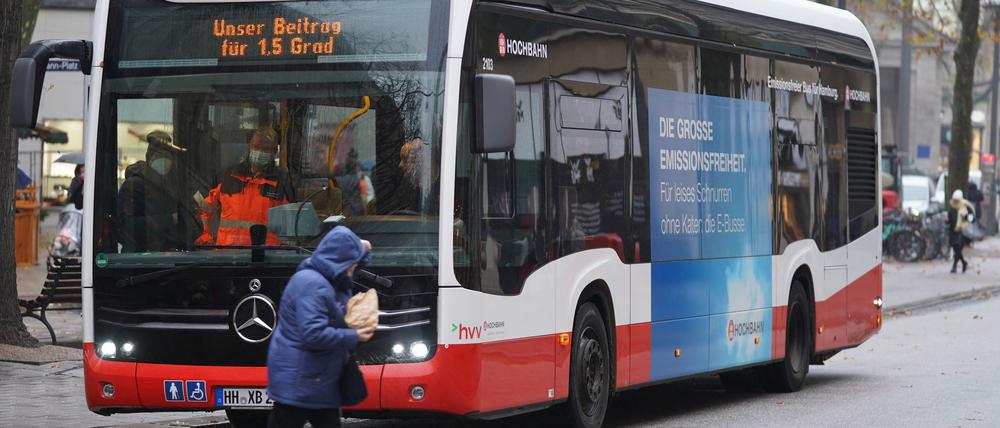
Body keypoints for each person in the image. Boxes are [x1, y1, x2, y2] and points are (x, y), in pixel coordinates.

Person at [267, 226, 375, 428]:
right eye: (351, 263)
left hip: (318, 379)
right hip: (300, 382)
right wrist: (353, 336)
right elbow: (313, 334)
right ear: (340, 261)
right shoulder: (312, 285)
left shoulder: (331, 276)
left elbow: (352, 261)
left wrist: (364, 249)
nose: (354, 267)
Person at [195, 127, 296, 246]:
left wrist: (287, 250)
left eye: (265, 149)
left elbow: (293, 221)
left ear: (274, 152)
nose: (259, 152)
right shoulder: (228, 176)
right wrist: (206, 234)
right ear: (250, 147)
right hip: (228, 253)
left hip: (266, 253)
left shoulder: (282, 182)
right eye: (256, 147)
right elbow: (205, 208)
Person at [117, 131, 200, 252]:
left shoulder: (174, 186)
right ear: (150, 159)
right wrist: (168, 220)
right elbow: (126, 226)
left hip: (170, 256)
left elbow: (191, 225)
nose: (164, 162)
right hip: (139, 258)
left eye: (168, 157)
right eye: (159, 157)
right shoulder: (134, 185)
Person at [947, 189, 976, 273]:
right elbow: (949, 221)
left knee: (958, 250)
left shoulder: (964, 210)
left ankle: (954, 266)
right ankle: (963, 263)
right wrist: (946, 221)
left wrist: (966, 216)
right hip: (953, 232)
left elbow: (972, 219)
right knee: (956, 249)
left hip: (961, 232)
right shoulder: (952, 210)